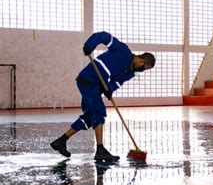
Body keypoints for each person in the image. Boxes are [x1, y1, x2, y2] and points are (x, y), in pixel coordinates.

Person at [50, 31, 156, 161]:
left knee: (89, 116)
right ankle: (100, 150)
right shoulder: (123, 50)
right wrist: (90, 45)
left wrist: (109, 90)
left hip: (95, 87)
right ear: (140, 59)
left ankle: (61, 141)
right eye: (144, 67)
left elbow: (117, 82)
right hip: (88, 80)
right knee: (99, 113)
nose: (142, 70)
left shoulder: (130, 73)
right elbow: (103, 36)